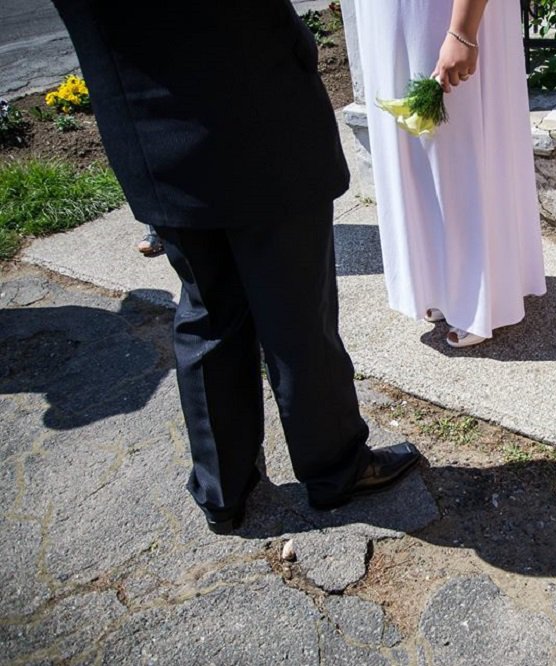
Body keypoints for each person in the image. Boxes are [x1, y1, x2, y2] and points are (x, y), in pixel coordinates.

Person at [51, 0, 420, 534]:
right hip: (260, 116)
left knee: (208, 311)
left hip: (147, 128)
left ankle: (222, 488)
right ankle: (335, 468)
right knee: (297, 316)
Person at [354, 0, 546, 348]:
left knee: (458, 143)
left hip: (442, 13)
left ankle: (480, 298)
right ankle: (443, 286)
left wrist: (462, 31)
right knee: (420, 153)